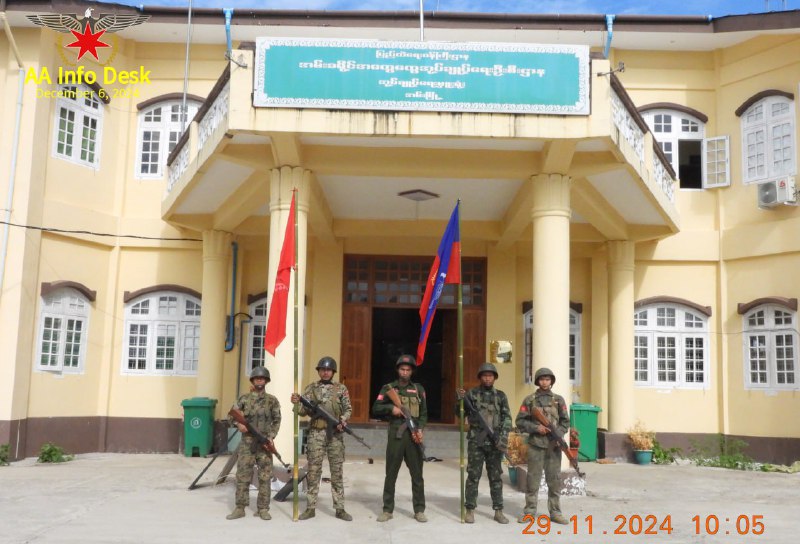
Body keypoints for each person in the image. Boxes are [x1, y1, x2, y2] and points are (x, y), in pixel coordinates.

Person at [290, 356, 354, 521]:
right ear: (318, 371)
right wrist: (296, 403)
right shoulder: (311, 388)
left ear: (333, 372)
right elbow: (303, 412)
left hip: (335, 435)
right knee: (313, 471)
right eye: (322, 369)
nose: (325, 372)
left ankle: (339, 508)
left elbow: (348, 408)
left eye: (329, 370)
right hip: (316, 434)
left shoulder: (341, 389)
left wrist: (343, 419)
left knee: (336, 472)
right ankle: (310, 508)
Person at [371, 354, 428, 523]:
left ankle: (419, 510)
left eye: (408, 370)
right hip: (396, 434)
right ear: (398, 370)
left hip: (413, 434)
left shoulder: (419, 389)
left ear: (412, 372)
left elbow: (424, 413)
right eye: (402, 369)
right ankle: (387, 510)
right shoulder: (388, 388)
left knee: (417, 475)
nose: (405, 372)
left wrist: (421, 429)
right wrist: (391, 409)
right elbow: (376, 407)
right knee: (391, 474)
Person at [456, 362, 512, 524]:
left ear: (494, 378)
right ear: (480, 377)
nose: (488, 378)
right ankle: (470, 509)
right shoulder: (471, 394)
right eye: (485, 375)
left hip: (494, 442)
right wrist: (459, 400)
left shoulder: (500, 396)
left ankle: (498, 510)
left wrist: (502, 437)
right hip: (476, 441)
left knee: (496, 477)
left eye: (490, 376)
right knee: (473, 475)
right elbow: (459, 414)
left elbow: (507, 417)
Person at [514, 367, 570, 525]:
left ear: (551, 381)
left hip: (554, 447)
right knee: (533, 480)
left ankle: (555, 512)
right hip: (536, 446)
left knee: (554, 480)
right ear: (537, 381)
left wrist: (558, 433)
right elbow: (520, 421)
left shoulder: (559, 400)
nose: (545, 382)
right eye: (542, 379)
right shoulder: (530, 400)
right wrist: (536, 428)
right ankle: (530, 511)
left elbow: (565, 422)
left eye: (548, 379)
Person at [226, 366, 282, 520]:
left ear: (266, 381)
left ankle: (263, 509)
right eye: (257, 378)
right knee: (243, 475)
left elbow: (277, 420)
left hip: (264, 444)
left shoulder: (272, 401)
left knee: (265, 477)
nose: (259, 380)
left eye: (262, 378)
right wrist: (239, 425)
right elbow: (231, 416)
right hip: (247, 443)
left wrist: (271, 436)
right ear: (252, 380)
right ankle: (240, 508)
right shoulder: (244, 399)